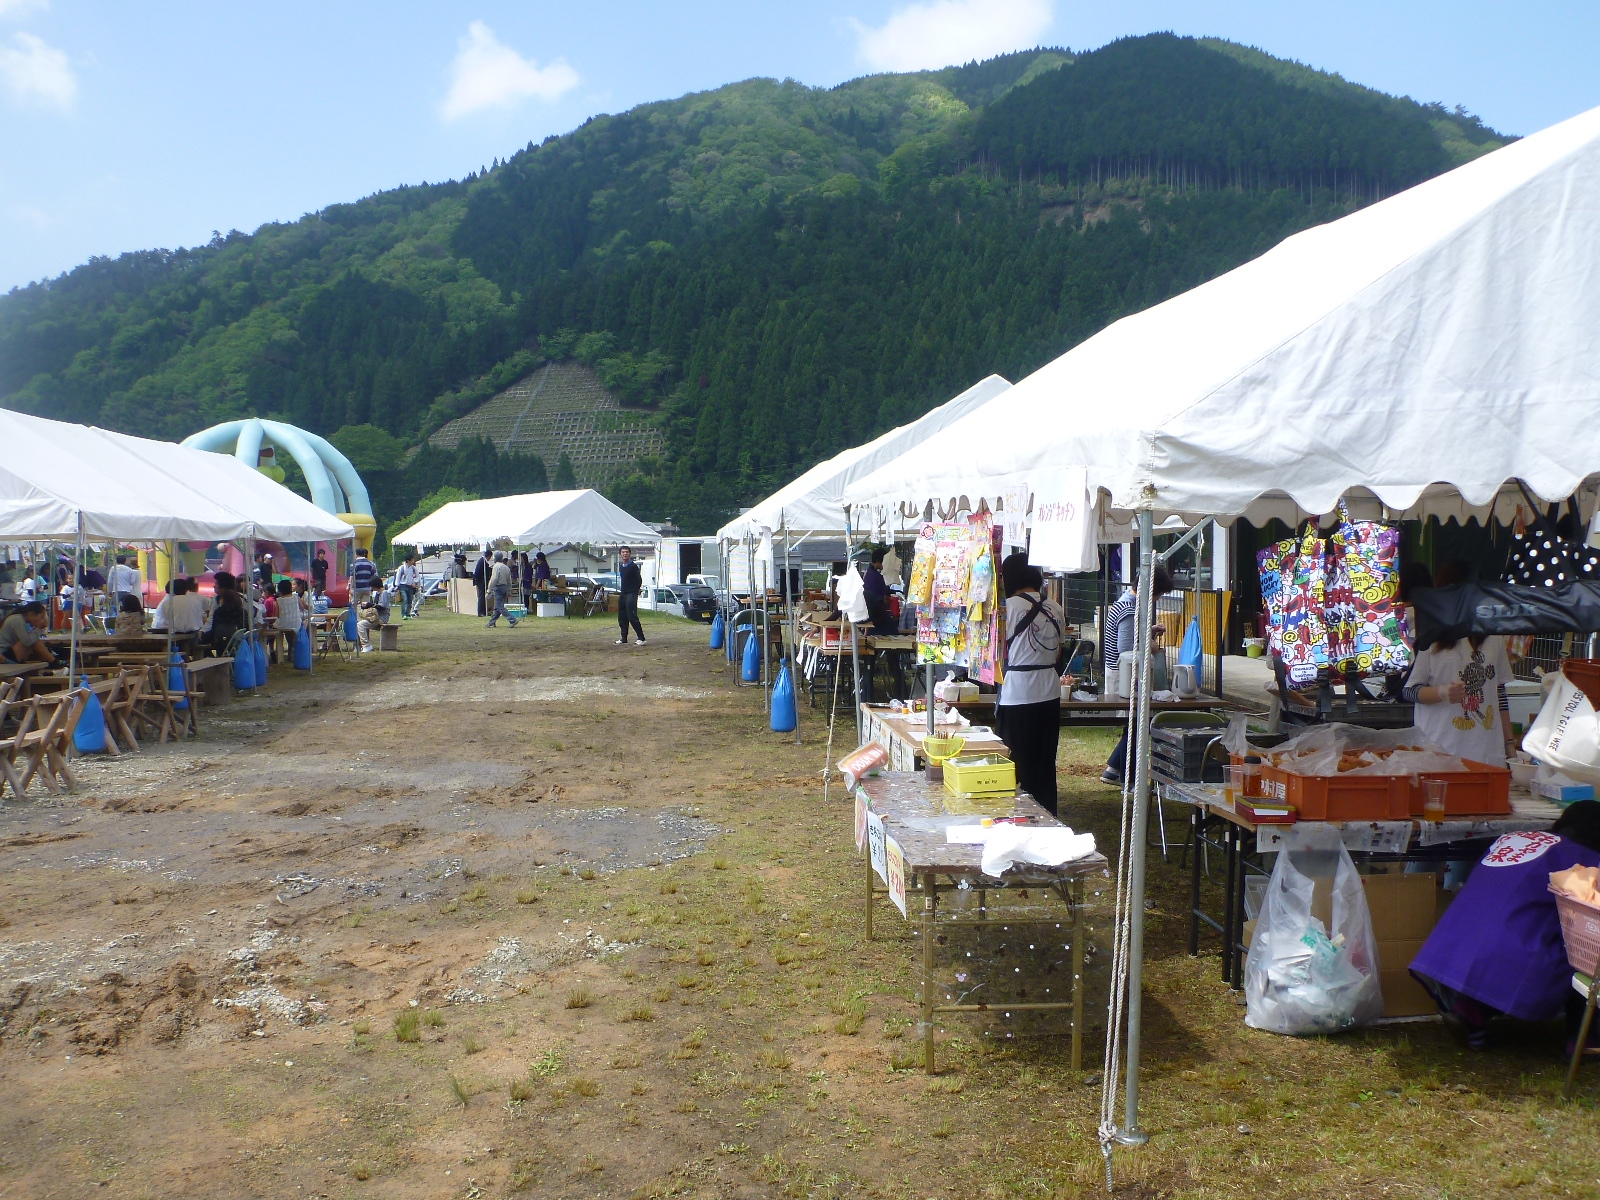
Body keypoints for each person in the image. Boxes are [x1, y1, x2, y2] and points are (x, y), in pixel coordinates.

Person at [1411, 801, 1600, 1052]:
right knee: (1589, 952)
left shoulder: (1512, 838)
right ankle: (1584, 1038)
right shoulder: (1587, 860)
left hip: (1451, 945)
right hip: (1514, 954)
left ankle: (1473, 1009)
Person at [1401, 559, 1515, 766]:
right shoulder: (1426, 633)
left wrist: (1510, 746)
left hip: (1488, 752)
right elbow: (1409, 690)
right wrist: (1442, 692)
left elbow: (1499, 692)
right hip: (1440, 750)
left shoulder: (1493, 635)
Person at [994, 553, 1065, 814]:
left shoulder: (1007, 608)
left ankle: (1018, 816)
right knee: (1045, 763)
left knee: (1015, 762)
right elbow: (1058, 653)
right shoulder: (1055, 607)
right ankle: (1048, 815)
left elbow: (997, 654)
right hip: (1049, 689)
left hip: (1017, 691)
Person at [1100, 564, 1175, 786]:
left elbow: (1130, 636)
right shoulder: (1129, 609)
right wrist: (1149, 645)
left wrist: (1148, 632)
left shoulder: (1127, 604)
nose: (1158, 599)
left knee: (1133, 725)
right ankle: (1129, 779)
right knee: (1136, 726)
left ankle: (1113, 770)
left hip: (1123, 674)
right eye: (1158, 594)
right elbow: (1126, 650)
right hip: (1123, 676)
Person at [861, 551, 897, 635]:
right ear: (878, 561)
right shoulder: (875, 576)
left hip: (872, 613)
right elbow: (878, 599)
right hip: (875, 614)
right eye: (884, 562)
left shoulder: (869, 572)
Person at [616, 546, 645, 646]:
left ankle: (641, 638)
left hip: (631, 593)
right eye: (623, 552)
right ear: (620, 554)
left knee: (631, 616)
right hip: (623, 593)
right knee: (622, 616)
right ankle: (624, 638)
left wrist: (635, 590)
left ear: (629, 554)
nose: (625, 554)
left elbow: (639, 580)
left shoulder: (633, 566)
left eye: (627, 552)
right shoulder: (621, 566)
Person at [486, 553, 518, 628]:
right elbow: (509, 580)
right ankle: (492, 622)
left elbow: (494, 579)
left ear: (495, 558)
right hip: (505, 587)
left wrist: (489, 589)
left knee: (499, 607)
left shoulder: (496, 567)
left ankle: (512, 619)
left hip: (498, 587)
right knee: (497, 607)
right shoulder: (506, 567)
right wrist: (509, 590)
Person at [395, 553, 420, 620]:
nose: (413, 561)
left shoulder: (413, 568)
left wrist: (415, 583)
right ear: (408, 561)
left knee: (409, 601)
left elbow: (417, 576)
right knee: (405, 599)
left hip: (410, 586)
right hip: (402, 586)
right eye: (412, 560)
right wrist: (397, 586)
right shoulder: (402, 568)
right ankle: (403, 614)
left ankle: (407, 614)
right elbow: (398, 577)